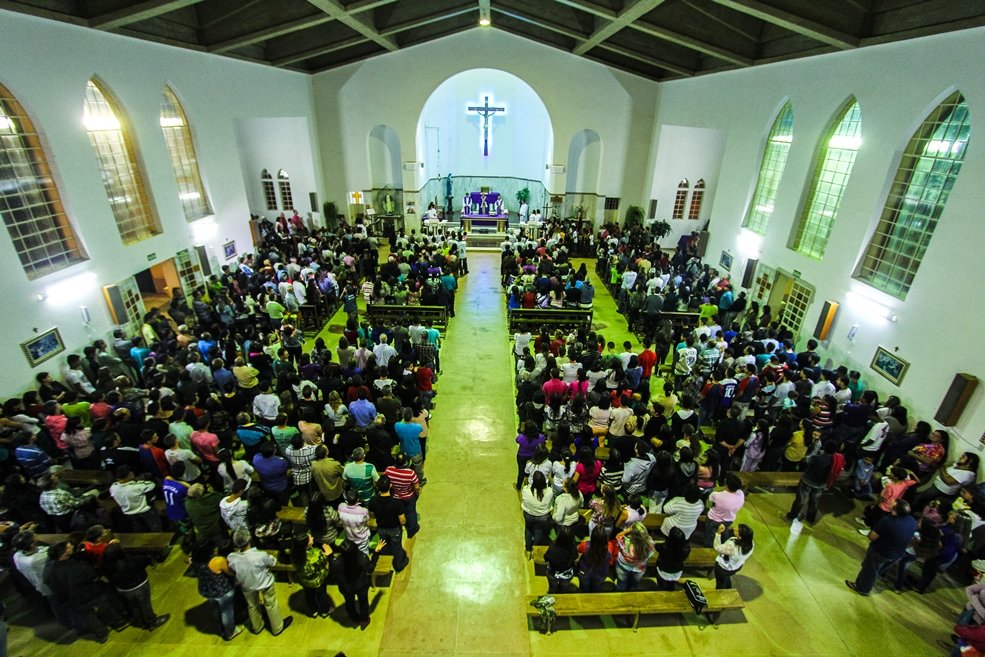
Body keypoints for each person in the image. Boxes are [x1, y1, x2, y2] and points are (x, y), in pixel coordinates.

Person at [226, 527, 294, 635]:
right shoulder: (259, 555)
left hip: (247, 584)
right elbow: (272, 562)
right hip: (264, 583)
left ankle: (257, 627)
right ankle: (277, 627)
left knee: (252, 605)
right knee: (270, 603)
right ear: (249, 539)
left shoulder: (232, 557)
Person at [846, 500, 917, 596]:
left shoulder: (887, 521)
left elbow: (872, 536)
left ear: (894, 510)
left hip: (880, 552)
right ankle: (872, 579)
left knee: (870, 570)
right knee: (878, 569)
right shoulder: (911, 520)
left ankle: (862, 589)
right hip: (897, 553)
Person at [101, 543, 170, 630]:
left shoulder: (106, 565)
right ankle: (152, 621)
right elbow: (146, 560)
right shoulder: (132, 561)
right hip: (139, 587)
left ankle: (138, 620)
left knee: (133, 605)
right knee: (145, 605)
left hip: (122, 589)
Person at [327, 538, 387, 629]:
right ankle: (364, 619)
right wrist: (376, 553)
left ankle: (354, 617)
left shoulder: (337, 562)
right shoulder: (361, 559)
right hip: (361, 585)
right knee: (363, 602)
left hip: (346, 587)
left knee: (349, 602)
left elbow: (332, 569)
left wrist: (330, 556)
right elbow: (370, 568)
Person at [190, 542, 243, 640]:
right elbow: (231, 573)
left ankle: (221, 627)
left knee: (216, 608)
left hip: (207, 590)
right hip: (223, 591)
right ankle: (230, 632)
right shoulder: (217, 561)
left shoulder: (194, 561)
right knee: (227, 611)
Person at [785, 441, 837, 525]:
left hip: (807, 481)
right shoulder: (834, 461)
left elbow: (806, 460)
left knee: (801, 500)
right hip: (821, 485)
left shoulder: (817, 458)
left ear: (825, 448)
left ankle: (791, 516)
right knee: (814, 502)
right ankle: (810, 519)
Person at [367, 475, 409, 571]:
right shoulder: (396, 503)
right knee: (397, 547)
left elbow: (372, 515)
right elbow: (402, 520)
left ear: (377, 487)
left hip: (381, 528)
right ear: (390, 486)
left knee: (384, 544)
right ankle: (398, 565)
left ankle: (384, 560)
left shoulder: (373, 501)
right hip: (394, 529)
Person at [290, 532, 336, 618]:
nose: (312, 537)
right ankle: (324, 611)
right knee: (321, 595)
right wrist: (329, 553)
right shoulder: (316, 554)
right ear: (306, 544)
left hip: (304, 580)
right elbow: (324, 562)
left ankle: (313, 610)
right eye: (309, 538)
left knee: (309, 595)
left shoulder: (294, 554)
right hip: (318, 580)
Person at [109, 466, 162, 531]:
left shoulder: (113, 487)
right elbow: (151, 485)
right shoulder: (137, 486)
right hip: (145, 511)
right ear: (130, 474)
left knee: (140, 531)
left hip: (130, 514)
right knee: (156, 529)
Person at [705, 472, 745, 546]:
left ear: (726, 484)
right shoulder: (741, 494)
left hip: (714, 519)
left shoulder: (717, 495)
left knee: (711, 534)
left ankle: (710, 546)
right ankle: (724, 542)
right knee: (724, 529)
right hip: (729, 519)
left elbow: (709, 503)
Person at [614, 522, 655, 591]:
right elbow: (650, 554)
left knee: (622, 582)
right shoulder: (650, 543)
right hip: (639, 568)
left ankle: (620, 592)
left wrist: (628, 530)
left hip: (624, 565)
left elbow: (618, 536)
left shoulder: (625, 542)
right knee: (634, 584)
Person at [522, 470, 555, 558]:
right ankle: (534, 547)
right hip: (543, 516)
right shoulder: (549, 492)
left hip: (529, 515)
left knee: (528, 529)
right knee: (539, 531)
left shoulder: (526, 490)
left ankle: (528, 549)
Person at [713, 523, 755, 589]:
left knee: (720, 584)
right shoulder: (750, 543)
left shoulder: (733, 547)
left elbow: (717, 547)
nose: (735, 529)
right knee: (726, 578)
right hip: (736, 566)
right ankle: (728, 587)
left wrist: (718, 533)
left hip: (724, 569)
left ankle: (720, 594)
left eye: (737, 531)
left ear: (740, 537)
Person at [577, 525, 614, 593]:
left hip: (586, 571)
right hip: (601, 572)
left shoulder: (584, 545)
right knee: (596, 588)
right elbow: (611, 560)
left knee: (584, 588)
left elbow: (578, 549)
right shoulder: (610, 547)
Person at [544, 526, 579, 593]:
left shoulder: (553, 547)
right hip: (566, 574)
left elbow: (546, 557)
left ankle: (553, 593)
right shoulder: (573, 548)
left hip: (553, 572)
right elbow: (576, 556)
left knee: (552, 588)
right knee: (564, 588)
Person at [655, 526, 691, 591]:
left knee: (661, 585)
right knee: (672, 583)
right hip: (677, 570)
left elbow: (656, 546)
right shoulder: (686, 548)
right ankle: (671, 588)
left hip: (664, 570)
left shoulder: (664, 547)